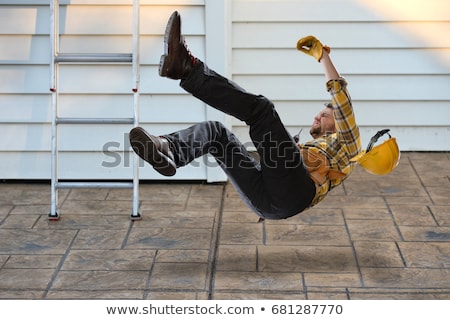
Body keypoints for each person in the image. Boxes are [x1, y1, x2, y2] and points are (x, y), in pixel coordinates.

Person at [129, 11, 361, 221]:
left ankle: (187, 68)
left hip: (296, 193)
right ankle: (168, 149)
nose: (317, 118)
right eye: (319, 114)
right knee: (215, 133)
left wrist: (323, 57)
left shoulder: (349, 145)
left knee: (262, 111)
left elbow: (342, 102)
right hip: (267, 204)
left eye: (324, 115)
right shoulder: (313, 149)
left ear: (339, 124)